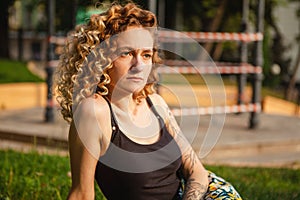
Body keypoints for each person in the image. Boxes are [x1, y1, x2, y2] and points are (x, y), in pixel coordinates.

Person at [55, 2, 242, 200]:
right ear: (102, 59)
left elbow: (197, 172)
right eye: (127, 53)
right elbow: (81, 194)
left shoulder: (156, 104)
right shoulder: (94, 112)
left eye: (146, 55)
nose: (139, 65)